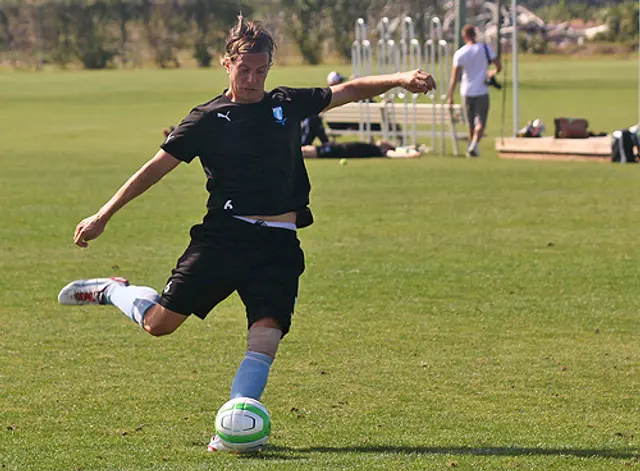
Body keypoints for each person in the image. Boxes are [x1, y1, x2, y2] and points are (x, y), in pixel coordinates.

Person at [56, 16, 436, 453]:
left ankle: (236, 424)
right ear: (227, 64)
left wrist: (401, 78)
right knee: (159, 325)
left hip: (279, 244)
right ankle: (112, 290)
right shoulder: (207, 119)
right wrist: (104, 215)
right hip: (224, 239)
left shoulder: (286, 103)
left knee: (267, 332)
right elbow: (154, 170)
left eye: (261, 70)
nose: (254, 79)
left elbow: (347, 90)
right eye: (245, 70)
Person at [446, 24, 502, 157]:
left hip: (466, 90)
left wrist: (450, 95)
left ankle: (472, 148)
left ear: (464, 36)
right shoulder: (484, 49)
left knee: (470, 123)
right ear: (475, 34)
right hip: (482, 90)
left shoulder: (460, 53)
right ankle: (474, 145)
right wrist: (491, 73)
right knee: (480, 122)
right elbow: (498, 66)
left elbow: (455, 77)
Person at [302, 139, 421, 159]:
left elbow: (393, 154)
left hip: (342, 150)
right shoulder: (377, 147)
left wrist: (410, 155)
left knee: (317, 151)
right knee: (317, 150)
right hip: (343, 148)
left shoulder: (381, 151)